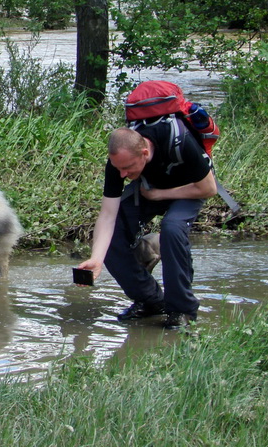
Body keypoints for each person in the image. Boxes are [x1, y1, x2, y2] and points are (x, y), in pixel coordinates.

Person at [77, 126, 217, 329]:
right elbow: (107, 215)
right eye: (119, 169)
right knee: (113, 236)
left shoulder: (180, 142)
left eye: (128, 167)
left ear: (144, 152)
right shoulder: (119, 164)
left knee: (172, 229)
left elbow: (208, 188)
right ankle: (151, 301)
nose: (123, 174)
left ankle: (181, 311)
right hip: (148, 189)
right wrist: (97, 259)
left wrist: (160, 194)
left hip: (191, 189)